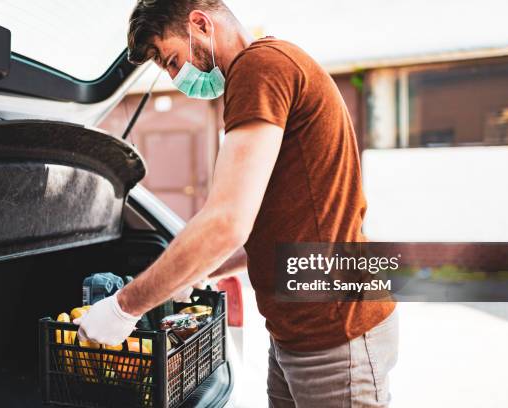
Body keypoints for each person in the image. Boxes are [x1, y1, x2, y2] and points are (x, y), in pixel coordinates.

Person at [76, 1, 398, 406]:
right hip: (303, 327)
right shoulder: (274, 63)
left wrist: (123, 308)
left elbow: (227, 222)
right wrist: (201, 271)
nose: (176, 78)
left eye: (173, 60)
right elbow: (280, 220)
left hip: (333, 330)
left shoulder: (258, 68)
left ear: (200, 24)